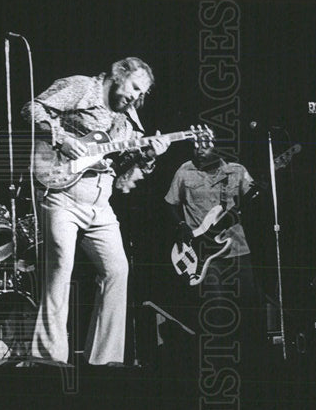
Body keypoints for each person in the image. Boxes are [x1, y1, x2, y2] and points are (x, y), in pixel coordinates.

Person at [23, 57, 169, 366]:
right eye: (133, 88)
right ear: (119, 75)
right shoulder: (81, 86)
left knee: (117, 270)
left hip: (100, 201)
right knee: (61, 265)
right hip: (60, 189)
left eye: (141, 93)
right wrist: (61, 139)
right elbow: (31, 108)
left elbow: (124, 169)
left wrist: (147, 156)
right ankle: (48, 357)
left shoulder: (130, 118)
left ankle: (106, 361)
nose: (135, 96)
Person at [165, 142, 262, 341]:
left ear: (218, 147)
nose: (198, 150)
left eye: (204, 146)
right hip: (202, 253)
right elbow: (169, 204)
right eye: (195, 146)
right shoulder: (185, 170)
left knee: (250, 303)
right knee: (216, 306)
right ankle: (218, 359)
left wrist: (254, 199)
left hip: (237, 247)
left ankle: (250, 356)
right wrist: (181, 224)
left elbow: (254, 200)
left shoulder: (236, 171)